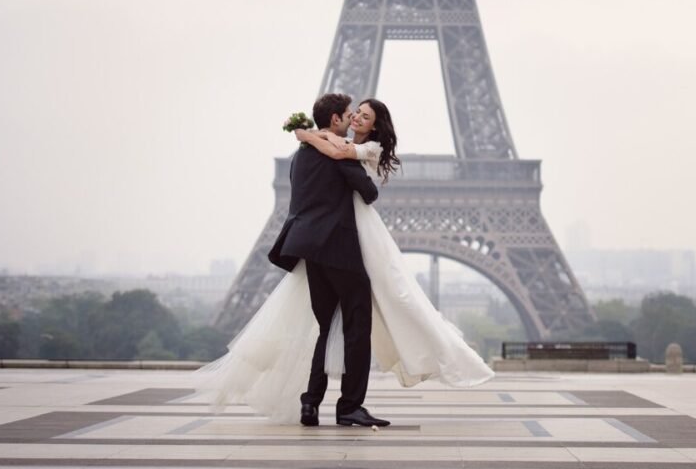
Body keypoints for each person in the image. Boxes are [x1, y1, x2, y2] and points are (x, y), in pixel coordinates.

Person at [192, 95, 492, 426]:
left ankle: (310, 403)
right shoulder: (339, 154)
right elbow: (369, 192)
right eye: (349, 114)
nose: (352, 119)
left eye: (359, 115)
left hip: (308, 249)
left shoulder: (301, 156)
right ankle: (350, 405)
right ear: (335, 120)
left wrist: (306, 135)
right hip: (340, 249)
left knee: (325, 329)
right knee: (357, 328)